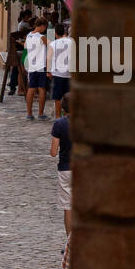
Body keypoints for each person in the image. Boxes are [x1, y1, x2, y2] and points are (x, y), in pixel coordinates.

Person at [51, 94, 72, 234]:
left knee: (68, 207)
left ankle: (70, 243)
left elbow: (53, 152)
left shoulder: (59, 124)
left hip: (66, 168)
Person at [25, 16, 50, 121]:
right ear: (43, 26)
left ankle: (29, 113)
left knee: (31, 89)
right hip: (41, 65)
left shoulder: (29, 35)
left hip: (31, 65)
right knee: (41, 89)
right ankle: (40, 113)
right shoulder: (42, 37)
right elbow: (51, 46)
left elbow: (26, 47)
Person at [48, 21, 73, 117]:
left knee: (57, 98)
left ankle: (58, 117)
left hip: (57, 74)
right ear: (64, 32)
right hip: (69, 74)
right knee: (69, 96)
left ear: (55, 33)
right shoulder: (71, 42)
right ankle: (68, 116)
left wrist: (48, 71)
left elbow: (49, 58)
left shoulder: (53, 44)